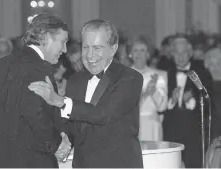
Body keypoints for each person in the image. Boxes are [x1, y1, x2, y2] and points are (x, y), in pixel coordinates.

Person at [29, 19, 144, 168]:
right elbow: (73, 123)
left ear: (113, 49)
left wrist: (60, 101)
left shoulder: (130, 78)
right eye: (86, 47)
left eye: (97, 48)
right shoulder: (75, 80)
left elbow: (103, 114)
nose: (90, 55)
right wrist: (63, 141)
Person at [0, 13, 69, 168]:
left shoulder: (1, 64)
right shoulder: (39, 68)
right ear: (46, 37)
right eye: (63, 42)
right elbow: (35, 115)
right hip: (27, 162)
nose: (65, 49)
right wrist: (57, 143)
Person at [162, 34, 213, 168]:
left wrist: (191, 101)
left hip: (193, 134)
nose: (180, 56)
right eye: (176, 53)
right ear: (172, 54)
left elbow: (208, 103)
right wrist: (172, 100)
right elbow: (162, 108)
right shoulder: (166, 74)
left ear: (190, 53)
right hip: (172, 133)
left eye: (184, 52)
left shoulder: (202, 73)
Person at [129, 35, 168, 141]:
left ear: (148, 55)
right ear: (130, 54)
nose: (139, 54)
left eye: (142, 50)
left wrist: (153, 91)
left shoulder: (159, 75)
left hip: (152, 126)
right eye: (135, 50)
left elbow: (162, 107)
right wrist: (145, 94)